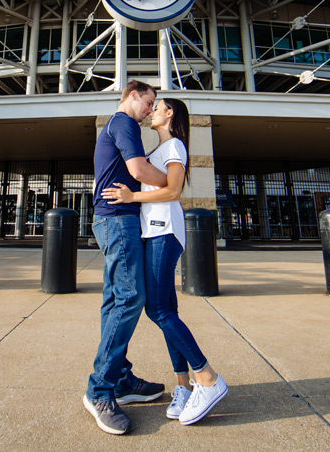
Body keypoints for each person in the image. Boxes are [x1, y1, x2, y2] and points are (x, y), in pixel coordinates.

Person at [102, 97, 228, 426]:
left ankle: (208, 378)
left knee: (157, 310)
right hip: (151, 233)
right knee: (166, 310)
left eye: (156, 106)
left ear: (169, 113)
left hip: (164, 232)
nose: (151, 110)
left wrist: (132, 196)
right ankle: (183, 387)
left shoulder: (174, 147)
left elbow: (173, 191)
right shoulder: (158, 150)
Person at [84, 80, 169, 435]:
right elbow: (137, 169)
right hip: (117, 221)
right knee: (132, 296)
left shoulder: (117, 126)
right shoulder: (124, 123)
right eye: (148, 102)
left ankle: (119, 380)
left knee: (115, 299)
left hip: (112, 220)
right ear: (132, 96)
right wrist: (172, 182)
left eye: (153, 105)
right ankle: (99, 389)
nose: (150, 109)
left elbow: (130, 170)